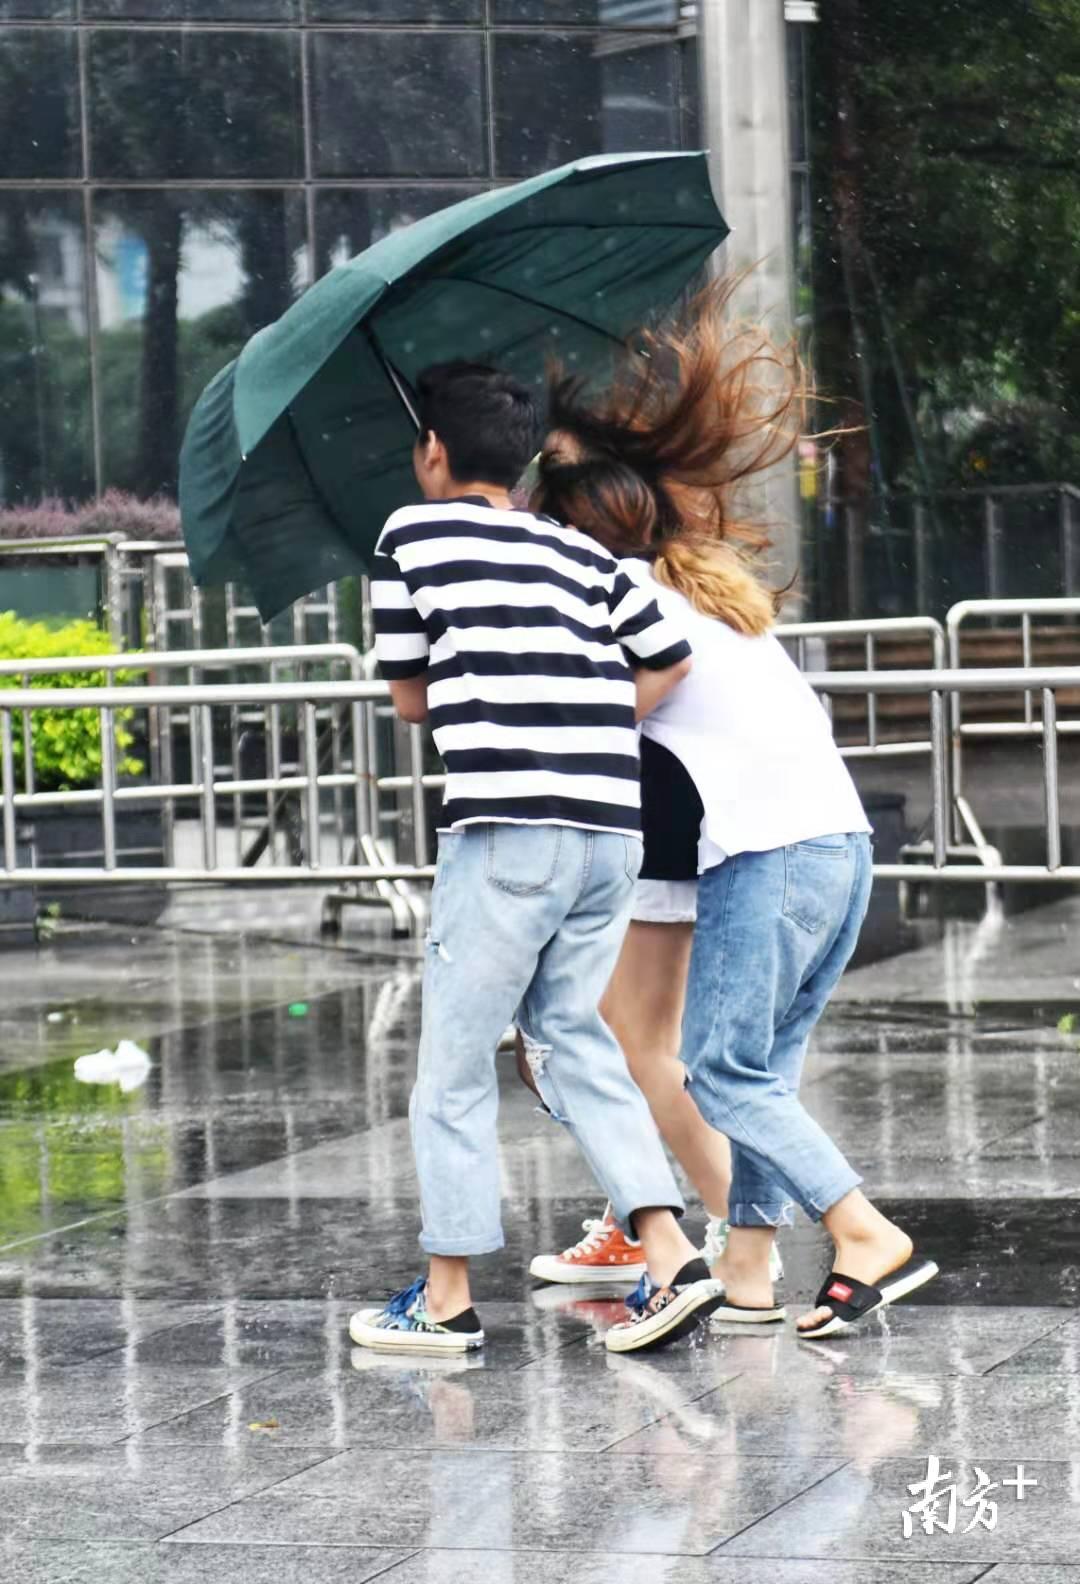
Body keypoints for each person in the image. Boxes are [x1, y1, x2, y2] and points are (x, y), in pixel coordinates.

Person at [527, 285, 938, 1340]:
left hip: (770, 855)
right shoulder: (703, 592)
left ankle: (861, 1227)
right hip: (842, 848)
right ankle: (749, 1263)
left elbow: (597, 724)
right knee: (764, 1070)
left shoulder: (626, 615)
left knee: (718, 1069)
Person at [349, 361, 723, 1359]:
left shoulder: (408, 535)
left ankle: (446, 1299)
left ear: (433, 451)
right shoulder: (576, 551)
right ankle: (670, 1253)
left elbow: (410, 698)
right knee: (576, 1042)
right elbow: (668, 657)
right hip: (611, 830)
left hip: (509, 828)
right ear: (519, 463)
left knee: (456, 1065)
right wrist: (593, 721)